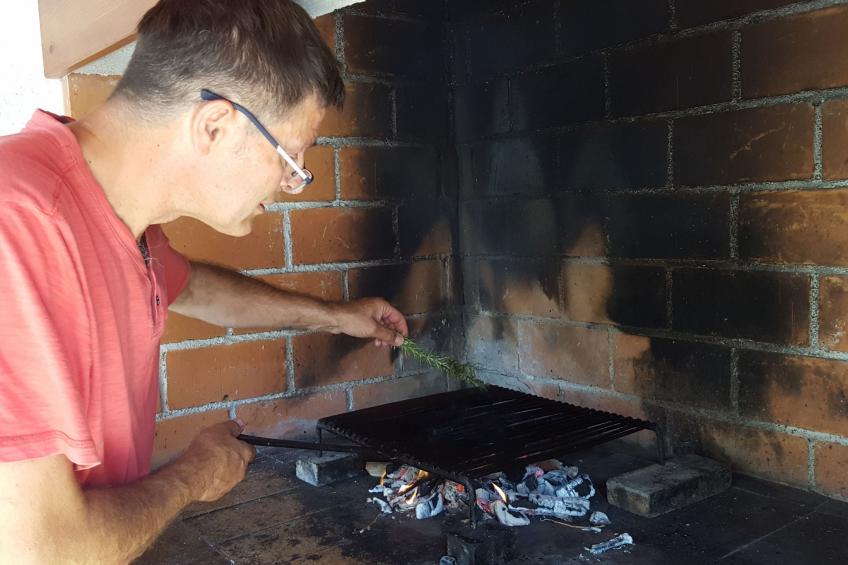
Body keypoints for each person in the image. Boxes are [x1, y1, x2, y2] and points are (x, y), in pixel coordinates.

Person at [0, 0, 408, 562]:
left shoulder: (115, 215)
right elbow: (40, 552)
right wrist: (192, 476)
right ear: (215, 126)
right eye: (290, 159)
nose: (292, 185)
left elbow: (198, 290)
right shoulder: (19, 225)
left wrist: (339, 317)